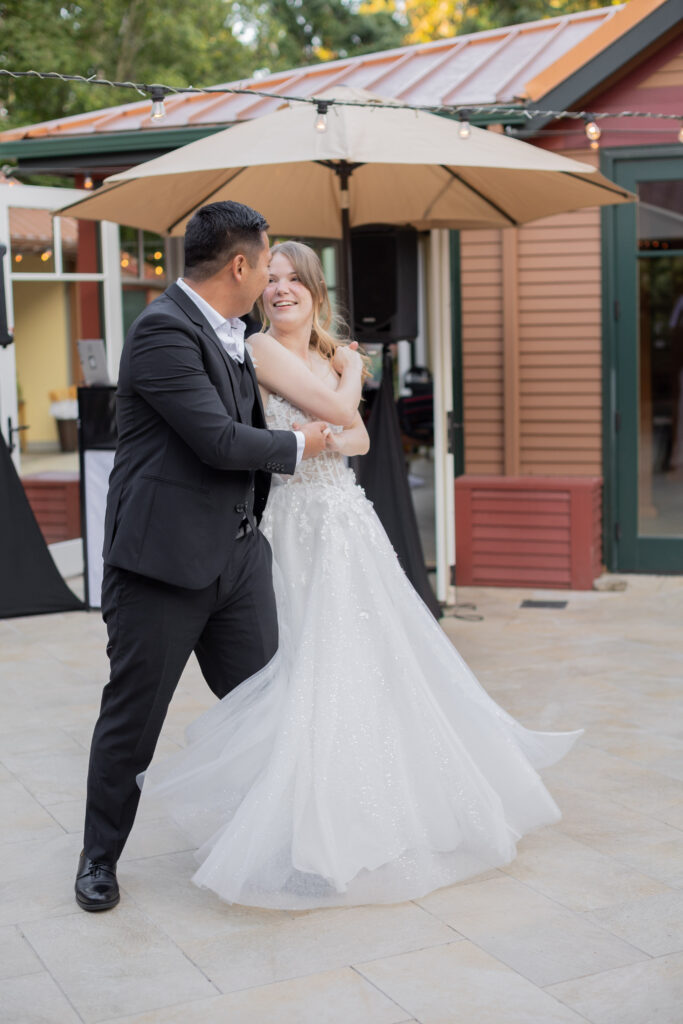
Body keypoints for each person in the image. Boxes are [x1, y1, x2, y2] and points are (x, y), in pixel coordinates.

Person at [140, 241, 582, 910]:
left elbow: (361, 442)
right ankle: (303, 822)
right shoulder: (261, 352)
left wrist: (336, 395)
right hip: (291, 521)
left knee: (371, 662)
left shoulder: (324, 353)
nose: (281, 289)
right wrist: (349, 378)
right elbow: (344, 416)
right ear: (258, 288)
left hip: (346, 520)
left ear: (315, 289)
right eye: (273, 279)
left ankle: (373, 807)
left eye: (294, 279)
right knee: (303, 664)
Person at [74, 206, 363, 912]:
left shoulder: (234, 335)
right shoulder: (163, 331)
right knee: (133, 719)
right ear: (239, 266)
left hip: (237, 560)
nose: (271, 275)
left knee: (267, 711)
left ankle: (277, 849)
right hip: (162, 566)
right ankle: (97, 860)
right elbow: (219, 442)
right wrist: (313, 444)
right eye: (266, 262)